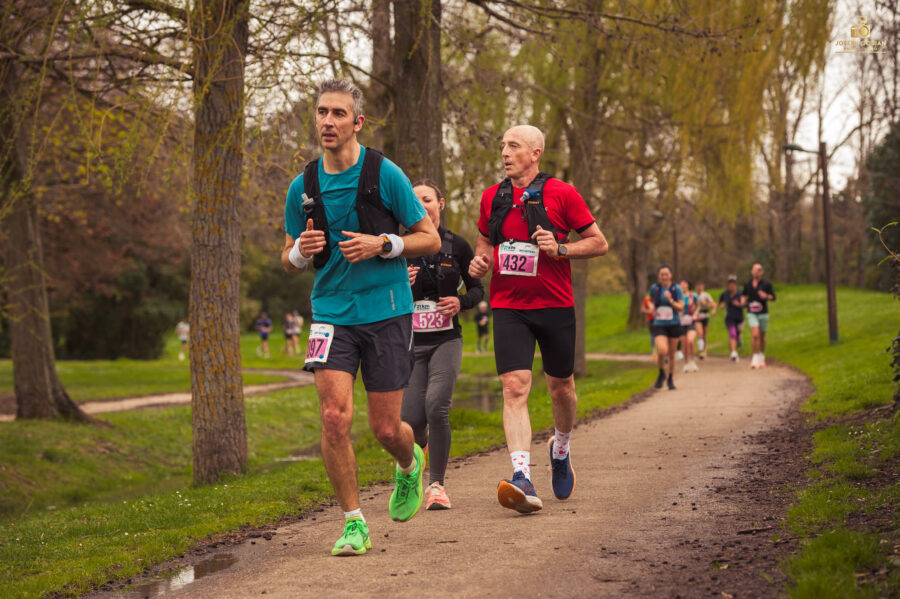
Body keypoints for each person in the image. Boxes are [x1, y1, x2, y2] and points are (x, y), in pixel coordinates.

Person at [280, 79, 441, 556]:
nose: (328, 121)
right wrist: (298, 255)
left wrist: (383, 244)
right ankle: (354, 523)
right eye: (321, 112)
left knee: (386, 429)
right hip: (330, 314)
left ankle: (410, 465)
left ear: (357, 121)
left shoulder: (384, 174)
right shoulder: (302, 186)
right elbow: (288, 253)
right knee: (333, 418)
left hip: (387, 311)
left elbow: (428, 238)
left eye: (338, 113)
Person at [468, 125, 608, 513]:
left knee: (561, 387)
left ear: (535, 153)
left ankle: (560, 449)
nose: (505, 153)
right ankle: (521, 476)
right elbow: (485, 242)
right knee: (514, 386)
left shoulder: (561, 193)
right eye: (502, 147)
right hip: (509, 305)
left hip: (554, 304)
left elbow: (599, 242)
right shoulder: (491, 198)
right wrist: (480, 262)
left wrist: (561, 248)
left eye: (513, 146)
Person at [402, 180, 484, 510]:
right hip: (409, 343)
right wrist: (399, 285)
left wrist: (459, 302)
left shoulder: (457, 245)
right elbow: (378, 293)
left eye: (427, 199)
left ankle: (436, 485)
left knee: (437, 405)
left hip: (446, 340)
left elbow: (479, 291)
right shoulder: (399, 245)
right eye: (414, 201)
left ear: (441, 204)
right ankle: (416, 462)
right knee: (410, 423)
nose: (421, 206)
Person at [644, 264, 684, 390]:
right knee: (662, 350)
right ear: (659, 276)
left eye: (666, 274)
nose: (664, 276)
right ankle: (661, 373)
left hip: (673, 324)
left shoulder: (676, 289)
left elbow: (681, 306)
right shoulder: (655, 288)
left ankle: (670, 378)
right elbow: (649, 300)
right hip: (659, 324)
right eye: (662, 274)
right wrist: (650, 306)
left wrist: (671, 300)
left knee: (672, 354)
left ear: (670, 275)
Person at [742, 263, 776, 369]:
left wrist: (766, 296)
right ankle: (754, 357)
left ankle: (761, 356)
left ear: (762, 272)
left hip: (763, 313)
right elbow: (743, 295)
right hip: (752, 313)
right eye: (755, 269)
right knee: (755, 335)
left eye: (759, 270)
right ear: (752, 271)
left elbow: (773, 297)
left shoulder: (766, 284)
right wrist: (743, 301)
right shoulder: (748, 284)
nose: (757, 271)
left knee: (762, 336)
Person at [718, 274, 744, 362]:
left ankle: (734, 350)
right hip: (729, 318)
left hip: (739, 318)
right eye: (730, 284)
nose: (731, 286)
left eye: (733, 283)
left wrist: (739, 304)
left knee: (738, 337)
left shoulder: (741, 293)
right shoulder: (725, 294)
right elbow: (719, 301)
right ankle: (733, 352)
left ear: (736, 284)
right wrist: (719, 307)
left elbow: (745, 304)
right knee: (732, 333)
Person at [679, 279, 700, 373]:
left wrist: (695, 313)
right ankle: (686, 363)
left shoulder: (693, 296)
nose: (683, 285)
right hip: (680, 322)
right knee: (684, 344)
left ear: (688, 285)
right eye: (681, 284)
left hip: (691, 321)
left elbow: (698, 306)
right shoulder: (677, 296)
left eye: (684, 283)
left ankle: (692, 361)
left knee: (690, 341)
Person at [694, 282, 714, 359]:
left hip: (705, 315)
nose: (699, 288)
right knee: (700, 333)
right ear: (695, 287)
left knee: (704, 334)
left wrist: (705, 304)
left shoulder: (706, 295)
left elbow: (713, 304)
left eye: (700, 286)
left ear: (703, 287)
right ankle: (700, 350)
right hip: (697, 315)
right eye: (697, 286)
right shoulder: (693, 295)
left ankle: (704, 349)